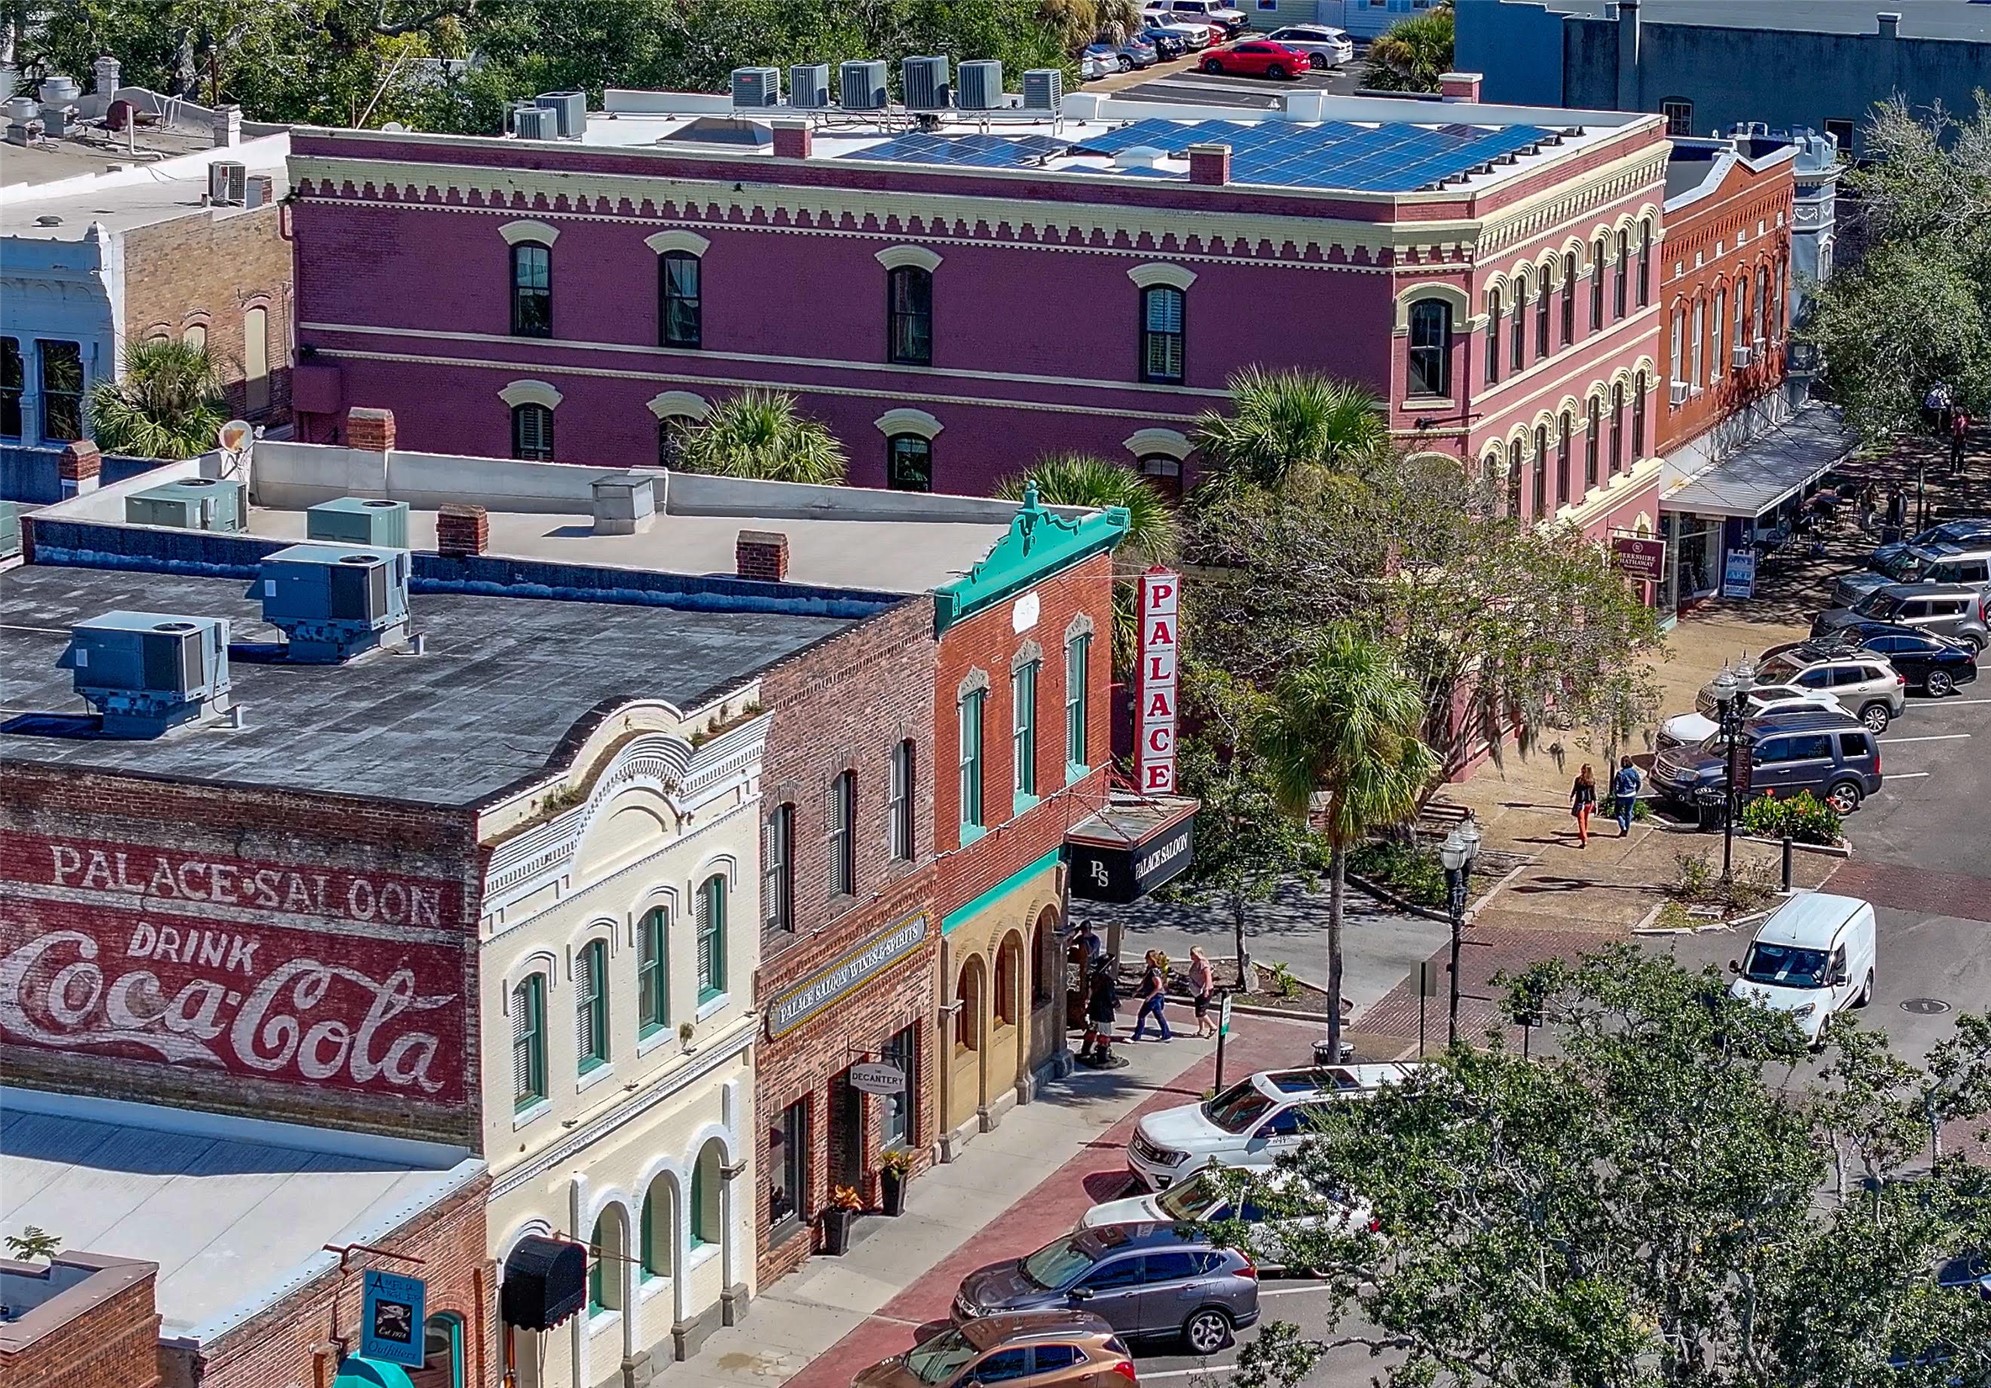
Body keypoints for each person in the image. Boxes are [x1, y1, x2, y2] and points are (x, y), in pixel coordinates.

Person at [1078, 957, 1124, 1067]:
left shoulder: (1093, 978)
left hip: (1094, 1010)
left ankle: (1085, 1050)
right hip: (1104, 1013)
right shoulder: (1107, 981)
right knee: (1105, 1034)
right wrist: (1116, 1004)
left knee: (1092, 1029)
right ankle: (1102, 1056)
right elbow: (1110, 997)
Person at [1131, 949, 1174, 1042]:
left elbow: (1158, 986)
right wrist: (1137, 990)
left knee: (1141, 1015)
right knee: (1158, 1015)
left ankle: (1136, 1037)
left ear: (1152, 959)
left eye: (1147, 958)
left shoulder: (1154, 971)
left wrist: (1149, 996)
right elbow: (1144, 981)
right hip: (1157, 995)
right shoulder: (1151, 969)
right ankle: (1166, 1035)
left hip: (1154, 995)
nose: (1146, 960)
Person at [1188, 946, 1217, 1039]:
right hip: (1197, 990)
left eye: (1192, 954)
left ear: (1197, 954)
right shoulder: (1196, 963)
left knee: (1201, 1012)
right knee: (1198, 1011)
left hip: (1204, 990)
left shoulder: (1202, 963)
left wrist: (1206, 989)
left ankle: (1212, 1026)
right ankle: (1201, 1030)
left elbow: (1208, 977)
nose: (1191, 956)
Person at [1610, 756, 1642, 837]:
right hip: (1631, 794)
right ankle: (1626, 829)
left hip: (1621, 795)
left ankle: (1622, 826)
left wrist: (1616, 793)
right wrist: (1635, 791)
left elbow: (1615, 786)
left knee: (1618, 811)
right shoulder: (1634, 772)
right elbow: (1638, 782)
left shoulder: (1620, 773)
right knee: (1628, 812)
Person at [1570, 764, 1598, 847]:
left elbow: (1575, 789)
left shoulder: (1579, 780)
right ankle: (1583, 833)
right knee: (1585, 819)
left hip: (1580, 803)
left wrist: (1571, 796)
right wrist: (1595, 802)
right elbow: (1593, 793)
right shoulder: (1592, 780)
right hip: (1588, 803)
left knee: (1581, 821)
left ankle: (1584, 838)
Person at [1951, 409, 1971, 477]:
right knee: (1954, 454)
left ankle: (1960, 468)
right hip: (1956, 438)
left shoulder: (1963, 420)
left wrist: (1964, 438)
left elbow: (1965, 430)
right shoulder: (1955, 420)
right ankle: (1953, 469)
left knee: (1960, 454)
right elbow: (1954, 428)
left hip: (1961, 438)